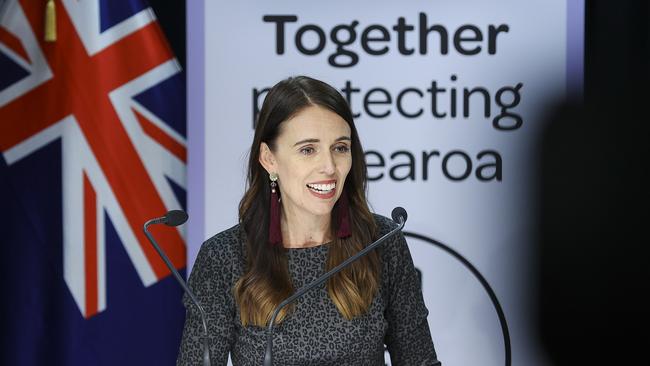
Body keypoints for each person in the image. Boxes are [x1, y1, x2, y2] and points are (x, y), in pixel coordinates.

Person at [177, 76, 441, 365]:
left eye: (340, 148)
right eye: (308, 150)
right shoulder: (223, 257)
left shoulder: (381, 242)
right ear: (268, 158)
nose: (329, 167)